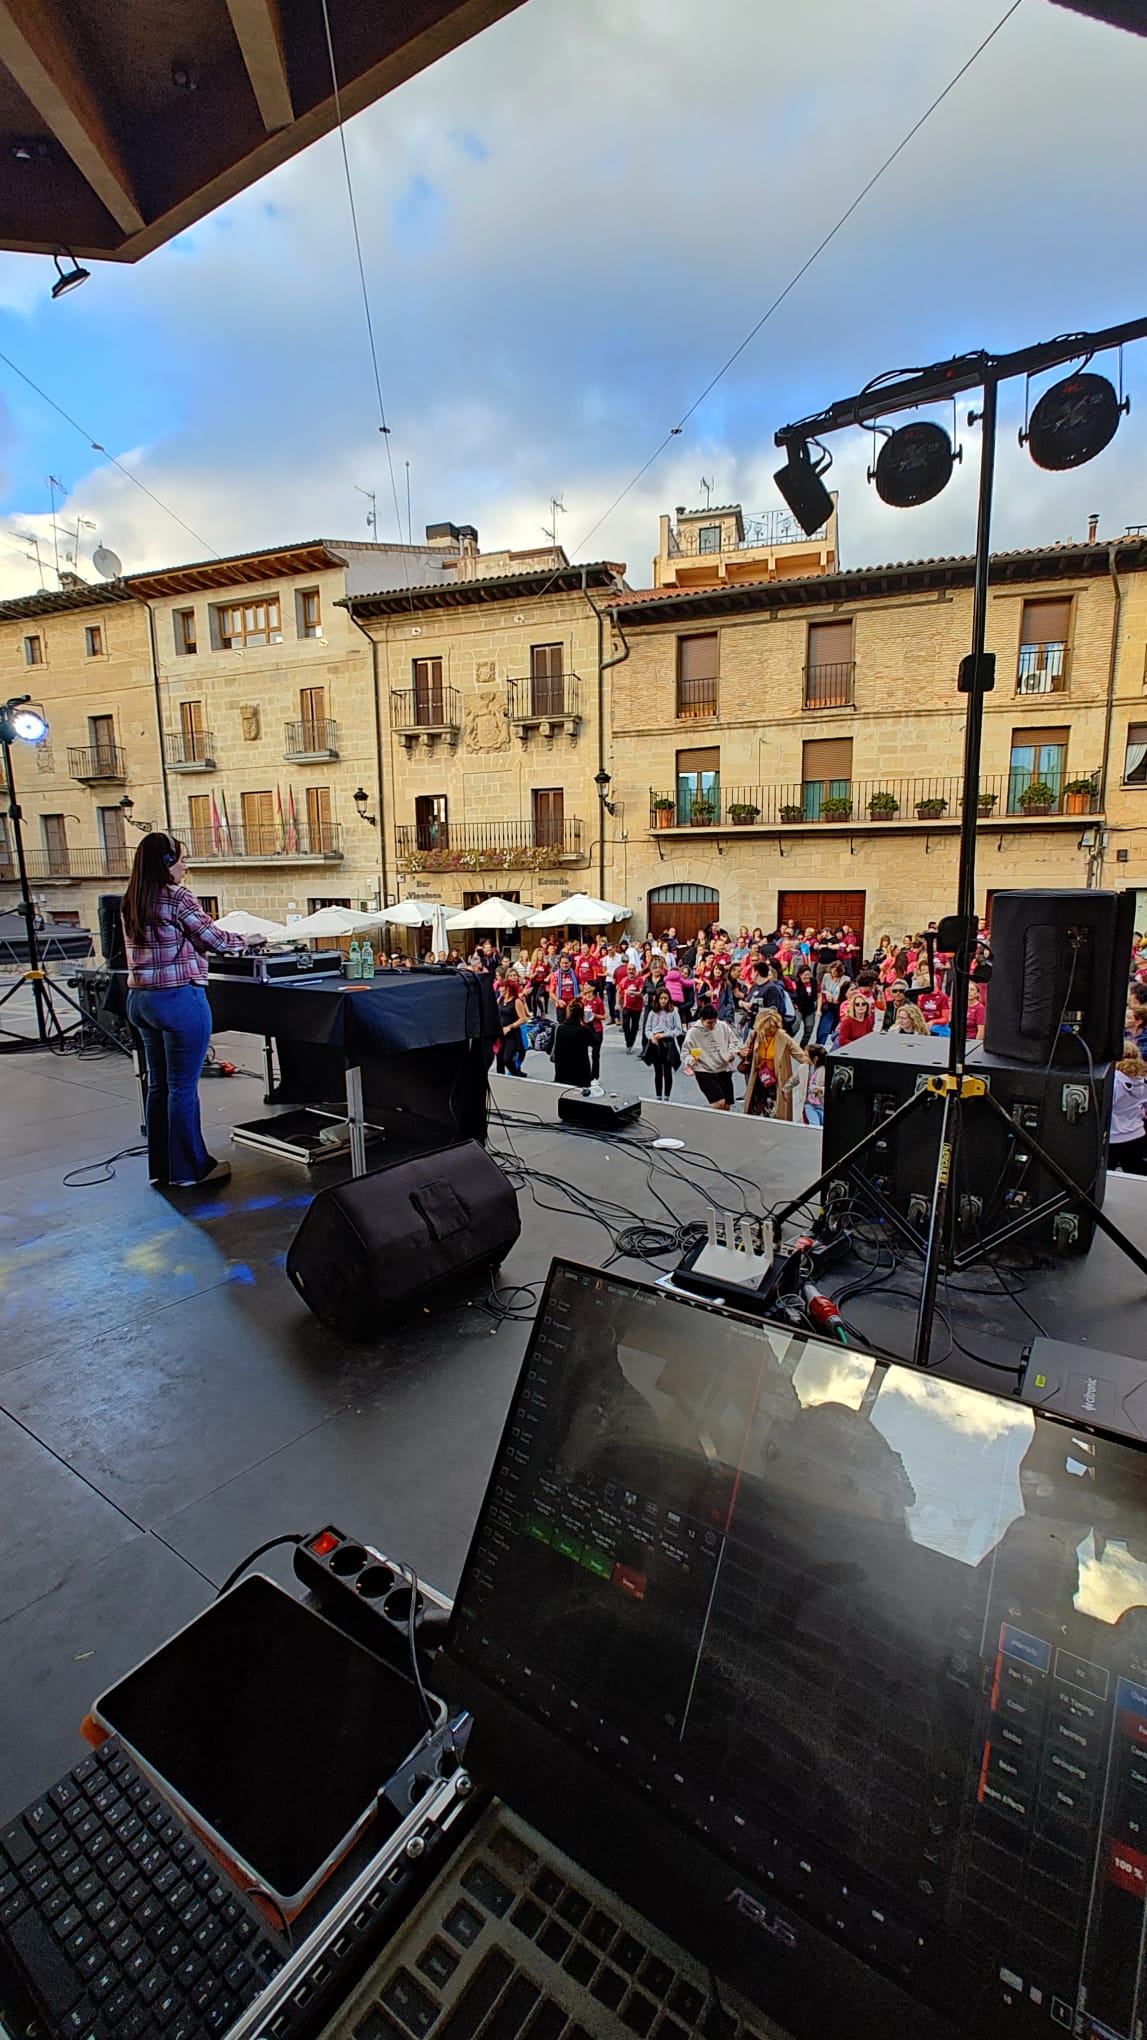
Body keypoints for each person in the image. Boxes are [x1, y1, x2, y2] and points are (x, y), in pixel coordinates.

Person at [123, 831, 250, 1188]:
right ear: (166, 864)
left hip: (140, 1000)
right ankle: (189, 1170)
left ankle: (162, 1168)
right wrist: (251, 940)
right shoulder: (177, 897)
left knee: (158, 1084)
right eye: (182, 860)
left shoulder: (131, 899)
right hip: (178, 999)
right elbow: (217, 941)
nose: (186, 867)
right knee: (182, 1087)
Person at [741, 1007, 808, 1120]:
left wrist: (815, 1064)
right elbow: (745, 1049)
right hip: (759, 1078)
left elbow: (800, 1055)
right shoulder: (755, 1035)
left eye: (773, 1029)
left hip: (777, 1079)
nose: (770, 1032)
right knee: (756, 1108)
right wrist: (743, 1053)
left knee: (776, 1110)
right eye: (767, 1030)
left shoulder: (783, 1037)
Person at [682, 1002, 740, 1110]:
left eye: (714, 1022)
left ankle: (722, 1126)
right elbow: (685, 1052)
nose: (712, 1026)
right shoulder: (693, 1032)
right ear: (702, 1019)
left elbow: (734, 1042)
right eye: (709, 1023)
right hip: (704, 1070)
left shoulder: (722, 1026)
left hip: (723, 1068)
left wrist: (731, 1053)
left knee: (727, 1105)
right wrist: (691, 1060)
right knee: (718, 1103)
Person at [1110, 1044, 1147, 1173]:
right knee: (1137, 1176)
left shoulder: (1113, 1081)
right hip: (1137, 1135)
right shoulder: (1142, 1080)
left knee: (1105, 1177)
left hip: (1113, 1137)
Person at [642, 986, 683, 1100]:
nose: (663, 1001)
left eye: (665, 998)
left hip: (668, 1042)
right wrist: (652, 1037)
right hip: (655, 1043)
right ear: (657, 999)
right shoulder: (652, 1013)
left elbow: (678, 1030)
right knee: (658, 1071)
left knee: (667, 1071)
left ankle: (667, 1096)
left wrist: (665, 1034)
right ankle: (658, 1095)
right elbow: (647, 1029)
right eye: (661, 998)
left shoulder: (673, 1011)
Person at [551, 997, 597, 1087]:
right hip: (580, 1068)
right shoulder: (584, 1030)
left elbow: (550, 1048)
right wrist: (589, 1023)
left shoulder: (558, 1028)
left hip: (562, 1068)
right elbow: (595, 1042)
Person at [495, 975, 530, 1076]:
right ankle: (501, 1078)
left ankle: (516, 1073)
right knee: (499, 1059)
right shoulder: (500, 1000)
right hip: (501, 1034)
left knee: (507, 1059)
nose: (500, 989)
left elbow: (523, 1019)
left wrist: (510, 1027)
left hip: (512, 1034)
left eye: (502, 987)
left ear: (508, 989)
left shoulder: (516, 1001)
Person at [803, 1043, 827, 1126]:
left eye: (806, 1055)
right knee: (814, 1125)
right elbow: (795, 1079)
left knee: (821, 1125)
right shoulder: (806, 1068)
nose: (803, 1058)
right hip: (810, 1104)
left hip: (821, 1104)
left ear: (815, 1058)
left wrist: (821, 1089)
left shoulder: (824, 1070)